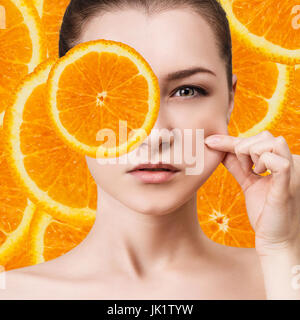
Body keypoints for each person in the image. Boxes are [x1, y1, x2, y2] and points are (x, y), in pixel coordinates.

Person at [1, 0, 300, 300]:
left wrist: (282, 247)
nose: (155, 134)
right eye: (115, 92)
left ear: (230, 99)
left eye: (187, 91)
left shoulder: (283, 273)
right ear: (67, 101)